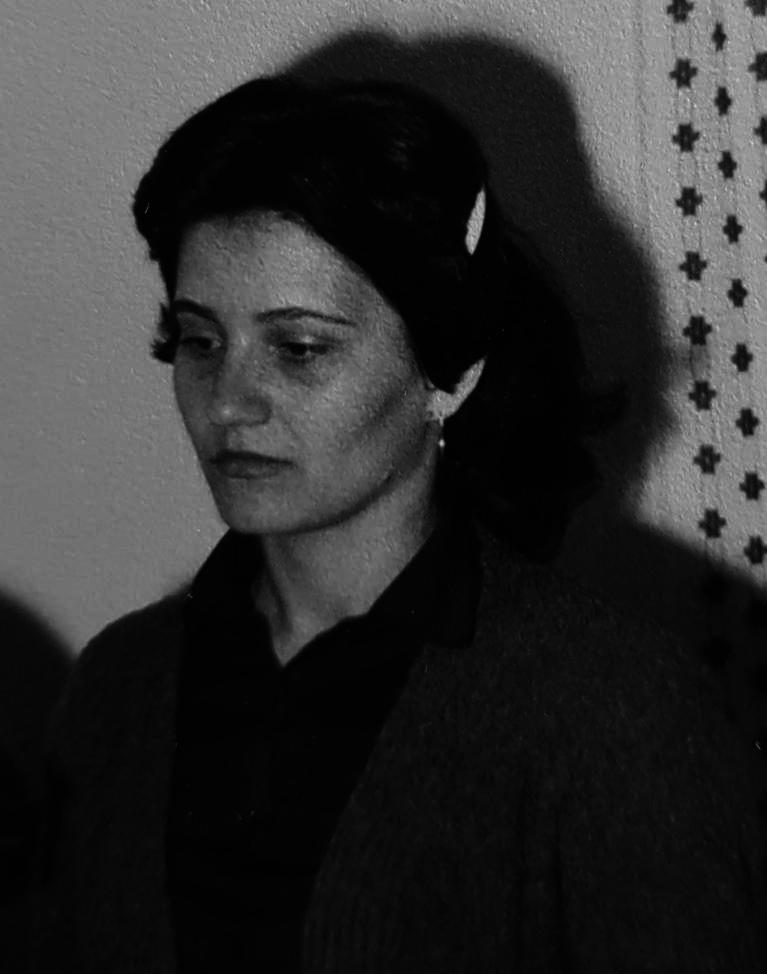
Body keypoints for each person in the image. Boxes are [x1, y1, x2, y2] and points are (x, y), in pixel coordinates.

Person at [31, 73, 767, 972]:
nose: (227, 403)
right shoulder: (117, 685)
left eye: (299, 349)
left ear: (450, 374)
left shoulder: (616, 711)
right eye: (200, 341)